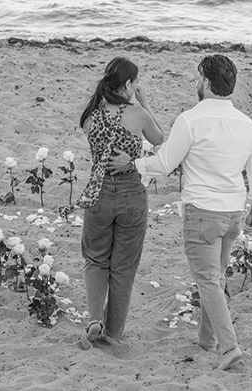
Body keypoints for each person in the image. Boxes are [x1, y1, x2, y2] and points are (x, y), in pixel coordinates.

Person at [107, 54, 252, 370]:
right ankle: (208, 340)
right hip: (233, 211)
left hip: (203, 213)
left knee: (208, 280)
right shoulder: (246, 124)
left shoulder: (190, 120)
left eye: (197, 78)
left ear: (206, 83)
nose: (196, 83)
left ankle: (229, 346)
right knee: (216, 277)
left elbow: (165, 162)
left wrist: (134, 164)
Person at [75, 57, 164, 349]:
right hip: (131, 194)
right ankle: (112, 333)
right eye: (135, 82)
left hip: (99, 193)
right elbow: (159, 138)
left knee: (96, 259)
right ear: (127, 85)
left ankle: (93, 319)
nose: (137, 87)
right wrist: (145, 102)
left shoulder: (90, 116)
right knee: (123, 268)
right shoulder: (138, 115)